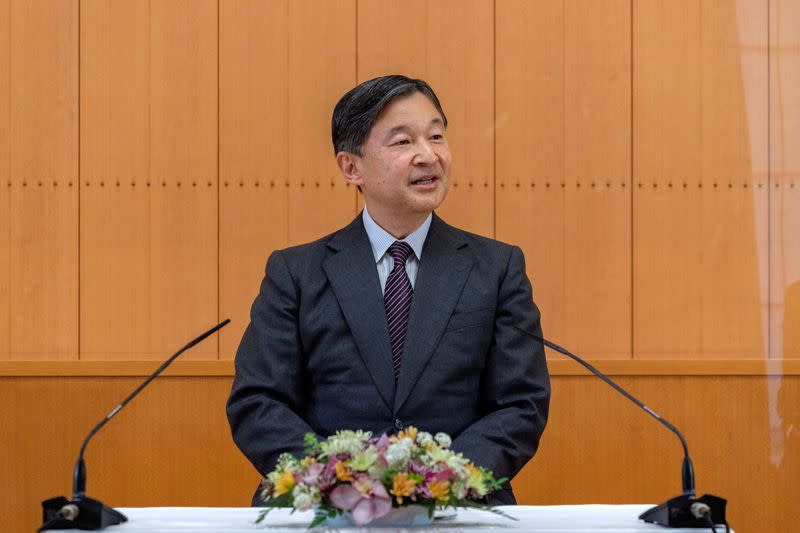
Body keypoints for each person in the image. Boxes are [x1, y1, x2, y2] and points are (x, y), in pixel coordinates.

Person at [226, 75, 550, 506]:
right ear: (350, 167)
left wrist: (438, 482)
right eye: (402, 142)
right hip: (324, 505)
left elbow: (521, 404)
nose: (428, 155)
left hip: (459, 503)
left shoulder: (496, 268)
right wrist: (337, 481)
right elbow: (258, 401)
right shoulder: (296, 272)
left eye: (436, 136)